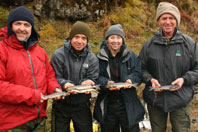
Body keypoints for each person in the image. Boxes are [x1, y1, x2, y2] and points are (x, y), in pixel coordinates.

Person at [0, 6, 62, 131]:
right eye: (18, 24)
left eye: (26, 25)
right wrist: (31, 95)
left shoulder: (40, 52)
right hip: (13, 124)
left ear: (31, 28)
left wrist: (54, 88)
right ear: (10, 26)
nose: (22, 28)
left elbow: (49, 75)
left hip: (39, 120)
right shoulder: (2, 50)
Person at [139, 2, 198, 132]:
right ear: (159, 21)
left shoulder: (189, 44)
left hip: (180, 99)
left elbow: (196, 69)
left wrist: (184, 79)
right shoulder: (149, 45)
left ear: (176, 21)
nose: (168, 22)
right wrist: (150, 80)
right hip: (156, 100)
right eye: (164, 18)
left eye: (171, 18)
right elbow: (141, 69)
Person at [94, 24, 145, 132]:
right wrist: (106, 83)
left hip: (128, 104)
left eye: (118, 37)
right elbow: (95, 77)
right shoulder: (98, 58)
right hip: (108, 104)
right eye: (112, 37)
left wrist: (131, 79)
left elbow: (139, 73)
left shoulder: (131, 56)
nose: (115, 41)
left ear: (122, 40)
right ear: (107, 39)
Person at [50, 21, 99, 132]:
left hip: (82, 105)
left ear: (87, 40)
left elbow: (93, 77)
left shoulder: (92, 58)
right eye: (76, 37)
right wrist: (64, 84)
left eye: (83, 38)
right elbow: (53, 77)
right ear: (71, 37)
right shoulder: (58, 55)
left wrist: (89, 82)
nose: (79, 41)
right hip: (61, 104)